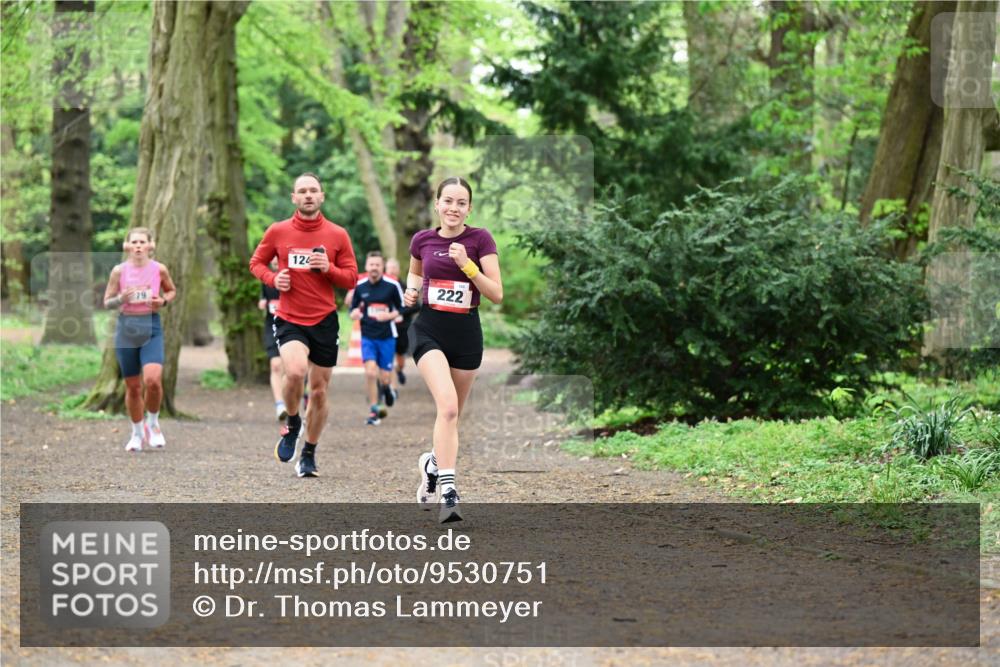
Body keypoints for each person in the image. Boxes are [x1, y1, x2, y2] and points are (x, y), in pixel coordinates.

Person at [405, 177, 503, 522]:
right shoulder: (422, 240)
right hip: (428, 329)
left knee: (453, 416)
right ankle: (449, 492)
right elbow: (415, 274)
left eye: (461, 203)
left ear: (469, 209)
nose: (453, 208)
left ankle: (432, 464)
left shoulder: (480, 239)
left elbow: (496, 293)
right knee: (446, 408)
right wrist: (411, 291)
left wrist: (468, 266)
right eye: (448, 201)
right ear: (437, 204)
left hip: (466, 334)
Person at [249, 172, 358, 478]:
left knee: (320, 392)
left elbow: (351, 278)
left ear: (321, 196)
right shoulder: (278, 231)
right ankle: (293, 422)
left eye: (313, 190)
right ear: (294, 198)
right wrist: (273, 279)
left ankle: (308, 452)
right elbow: (256, 263)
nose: (308, 195)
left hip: (324, 319)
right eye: (302, 191)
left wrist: (329, 268)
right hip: (289, 317)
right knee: (295, 372)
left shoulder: (338, 234)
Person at [102, 227, 177, 452]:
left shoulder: (159, 269)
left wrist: (162, 301)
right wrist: (121, 298)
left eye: (142, 242)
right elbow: (107, 302)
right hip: (126, 329)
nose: (138, 246)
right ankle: (137, 432)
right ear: (127, 246)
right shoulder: (119, 271)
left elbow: (171, 291)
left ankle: (153, 424)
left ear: (150, 245)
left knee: (153, 380)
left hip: (151, 326)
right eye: (134, 242)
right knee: (133, 387)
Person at [350, 251, 404, 425]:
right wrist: (354, 313)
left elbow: (402, 308)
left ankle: (387, 388)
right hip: (368, 336)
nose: (374, 268)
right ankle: (374, 410)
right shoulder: (360, 286)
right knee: (370, 372)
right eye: (371, 264)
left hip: (387, 336)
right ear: (366, 266)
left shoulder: (392, 285)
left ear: (382, 267)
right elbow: (352, 308)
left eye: (377, 265)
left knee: (385, 376)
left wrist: (389, 316)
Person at [385, 257, 418, 388]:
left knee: (400, 360)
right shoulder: (381, 286)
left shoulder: (405, 286)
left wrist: (399, 313)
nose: (392, 271)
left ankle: (399, 370)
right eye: (389, 268)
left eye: (394, 268)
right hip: (386, 328)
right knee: (386, 357)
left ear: (398, 270)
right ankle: (387, 386)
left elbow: (417, 306)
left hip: (402, 327)